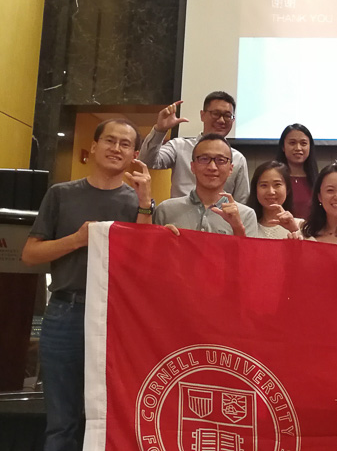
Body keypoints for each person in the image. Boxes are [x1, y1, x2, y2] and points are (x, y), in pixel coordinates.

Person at [21, 118, 153, 451]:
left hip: (116, 319)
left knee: (112, 418)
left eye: (125, 144)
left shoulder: (137, 203)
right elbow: (30, 254)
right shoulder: (61, 194)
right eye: (110, 140)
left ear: (135, 154)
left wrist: (145, 204)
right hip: (65, 312)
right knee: (61, 422)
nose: (116, 148)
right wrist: (78, 239)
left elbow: (144, 262)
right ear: (93, 147)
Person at [138, 92, 250, 202]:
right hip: (179, 217)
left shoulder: (238, 159)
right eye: (216, 114)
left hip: (220, 218)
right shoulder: (179, 147)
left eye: (227, 116)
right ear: (202, 115)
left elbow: (242, 202)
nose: (221, 120)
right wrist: (160, 130)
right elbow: (146, 161)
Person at [153, 134, 259, 237]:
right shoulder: (166, 210)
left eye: (220, 160)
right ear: (192, 166)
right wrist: (163, 241)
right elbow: (151, 252)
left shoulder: (245, 215)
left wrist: (237, 228)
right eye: (204, 159)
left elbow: (249, 255)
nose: (212, 167)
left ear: (230, 169)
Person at [246, 161, 301, 239]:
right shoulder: (246, 225)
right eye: (264, 185)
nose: (271, 192)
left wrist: (294, 230)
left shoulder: (301, 225)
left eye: (277, 185)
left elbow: (314, 250)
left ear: (287, 189)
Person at [276, 124, 319, 219]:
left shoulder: (319, 181)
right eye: (292, 143)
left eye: (303, 143)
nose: (298, 148)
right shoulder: (273, 178)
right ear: (283, 147)